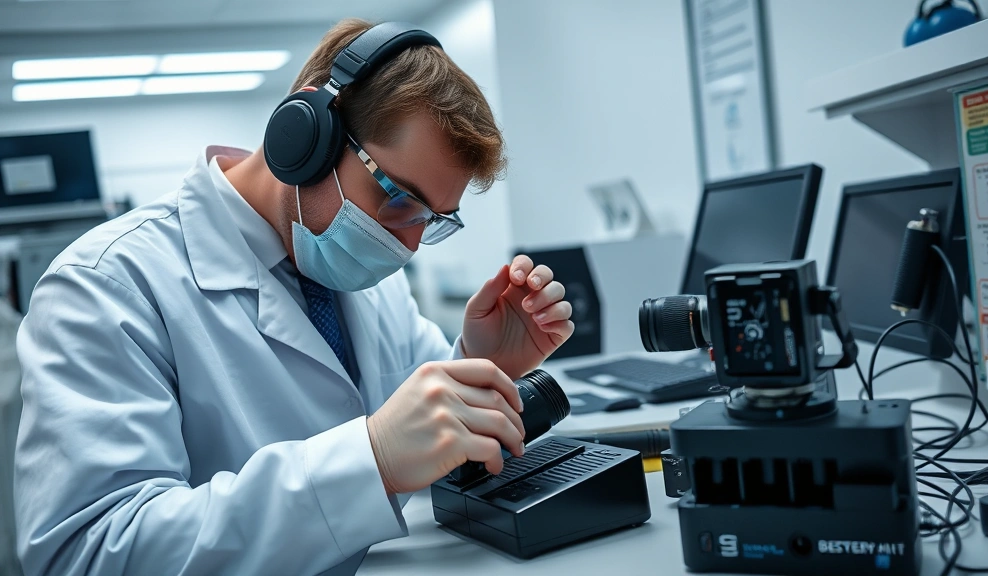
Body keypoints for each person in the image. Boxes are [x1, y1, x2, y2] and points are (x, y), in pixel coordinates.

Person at [14, 19, 573, 576]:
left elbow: (424, 434)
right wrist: (369, 462)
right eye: (398, 199)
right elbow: (89, 553)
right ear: (306, 135)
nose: (408, 245)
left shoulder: (365, 274)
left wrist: (481, 366)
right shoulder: (106, 285)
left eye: (431, 220)